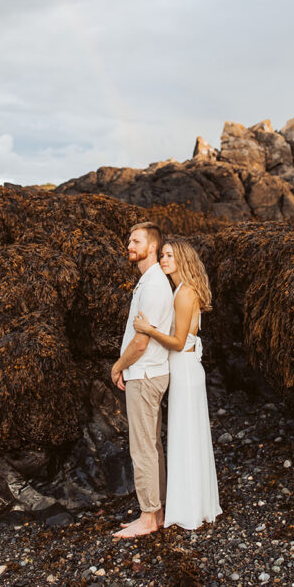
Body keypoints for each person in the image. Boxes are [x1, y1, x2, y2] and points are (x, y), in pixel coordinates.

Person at [133, 238, 221, 530]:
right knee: (188, 436)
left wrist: (149, 330)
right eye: (163, 255)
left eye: (169, 255)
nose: (164, 260)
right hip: (186, 368)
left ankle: (188, 510)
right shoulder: (181, 290)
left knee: (185, 437)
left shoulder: (184, 294)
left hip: (184, 370)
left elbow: (179, 342)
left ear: (182, 259)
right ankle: (194, 503)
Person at [110, 221, 174, 538]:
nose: (129, 246)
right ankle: (156, 512)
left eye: (135, 241)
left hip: (145, 374)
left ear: (151, 247)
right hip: (149, 372)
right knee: (151, 445)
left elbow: (140, 342)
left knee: (143, 448)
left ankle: (149, 517)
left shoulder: (153, 285)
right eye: (128, 240)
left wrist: (117, 367)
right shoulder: (150, 281)